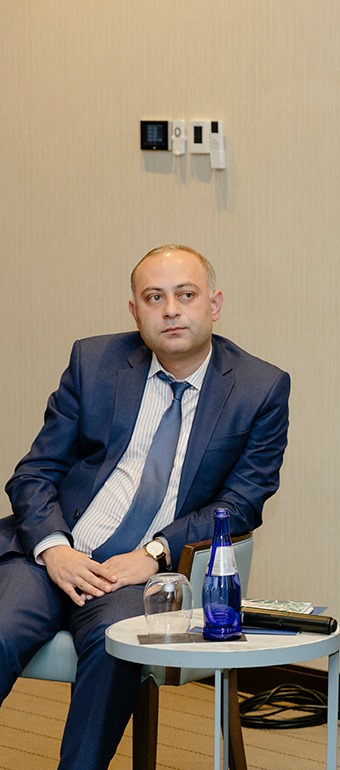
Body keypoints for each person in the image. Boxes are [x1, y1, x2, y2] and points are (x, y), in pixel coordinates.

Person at [0, 245, 291, 769]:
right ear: (135, 312)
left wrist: (154, 554)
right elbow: (34, 473)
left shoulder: (259, 388)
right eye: (154, 298)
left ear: (214, 304)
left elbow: (242, 502)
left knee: (115, 645)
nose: (171, 310)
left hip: (141, 575)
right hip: (53, 554)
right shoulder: (94, 362)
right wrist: (54, 549)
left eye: (186, 295)